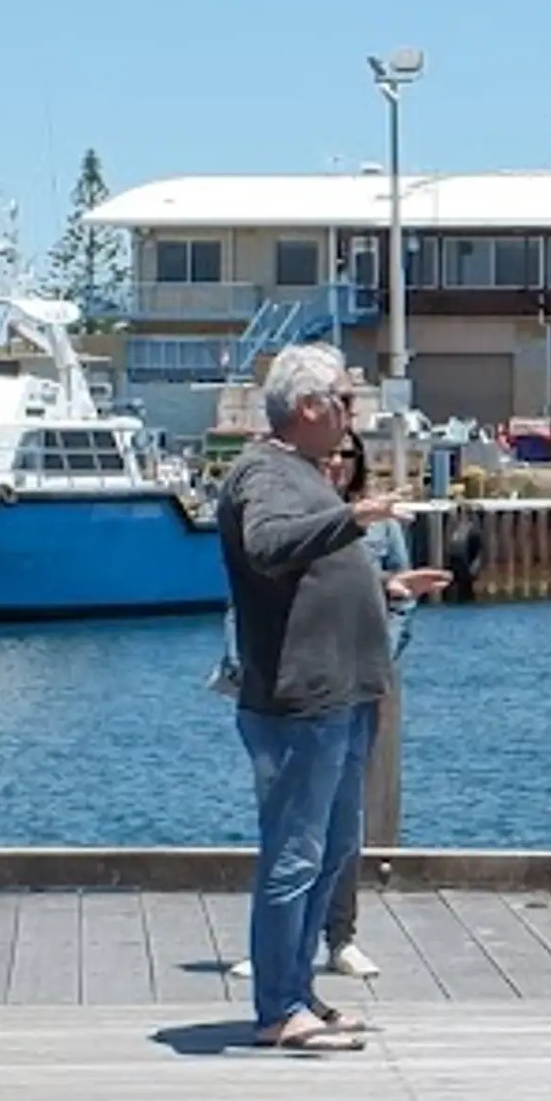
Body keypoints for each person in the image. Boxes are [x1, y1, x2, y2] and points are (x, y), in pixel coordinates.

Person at [216, 344, 444, 1053]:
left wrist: (386, 589)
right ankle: (277, 1007)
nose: (353, 413)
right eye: (345, 399)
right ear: (310, 406)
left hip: (346, 696)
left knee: (334, 848)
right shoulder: (263, 472)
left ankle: (299, 990)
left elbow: (309, 578)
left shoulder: (302, 474)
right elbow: (267, 546)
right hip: (300, 701)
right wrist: (355, 518)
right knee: (294, 851)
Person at [317, 433, 424, 980]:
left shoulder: (381, 525)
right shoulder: (293, 517)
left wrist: (383, 655)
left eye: (346, 455)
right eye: (328, 454)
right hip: (300, 685)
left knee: (345, 816)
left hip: (359, 684)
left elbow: (404, 598)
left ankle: (340, 936)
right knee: (286, 815)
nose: (336, 463)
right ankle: (278, 940)